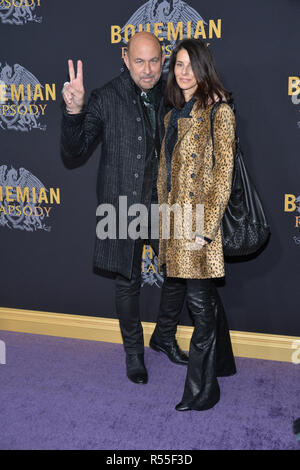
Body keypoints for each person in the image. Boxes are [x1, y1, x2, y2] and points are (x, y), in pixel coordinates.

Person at [60, 32, 188, 386]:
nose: (147, 70)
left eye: (154, 61)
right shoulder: (104, 97)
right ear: (125, 58)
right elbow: (74, 151)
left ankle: (163, 335)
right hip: (121, 202)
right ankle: (134, 353)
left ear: (163, 59)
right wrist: (74, 110)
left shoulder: (174, 94)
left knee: (179, 273)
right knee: (127, 281)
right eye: (139, 61)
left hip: (163, 202)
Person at [155, 38, 237, 411]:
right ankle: (222, 363)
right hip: (175, 224)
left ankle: (203, 390)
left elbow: (224, 175)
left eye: (189, 64)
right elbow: (165, 175)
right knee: (204, 299)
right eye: (178, 64)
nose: (182, 72)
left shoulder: (219, 113)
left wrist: (207, 226)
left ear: (203, 67)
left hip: (198, 226)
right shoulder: (173, 115)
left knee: (199, 306)